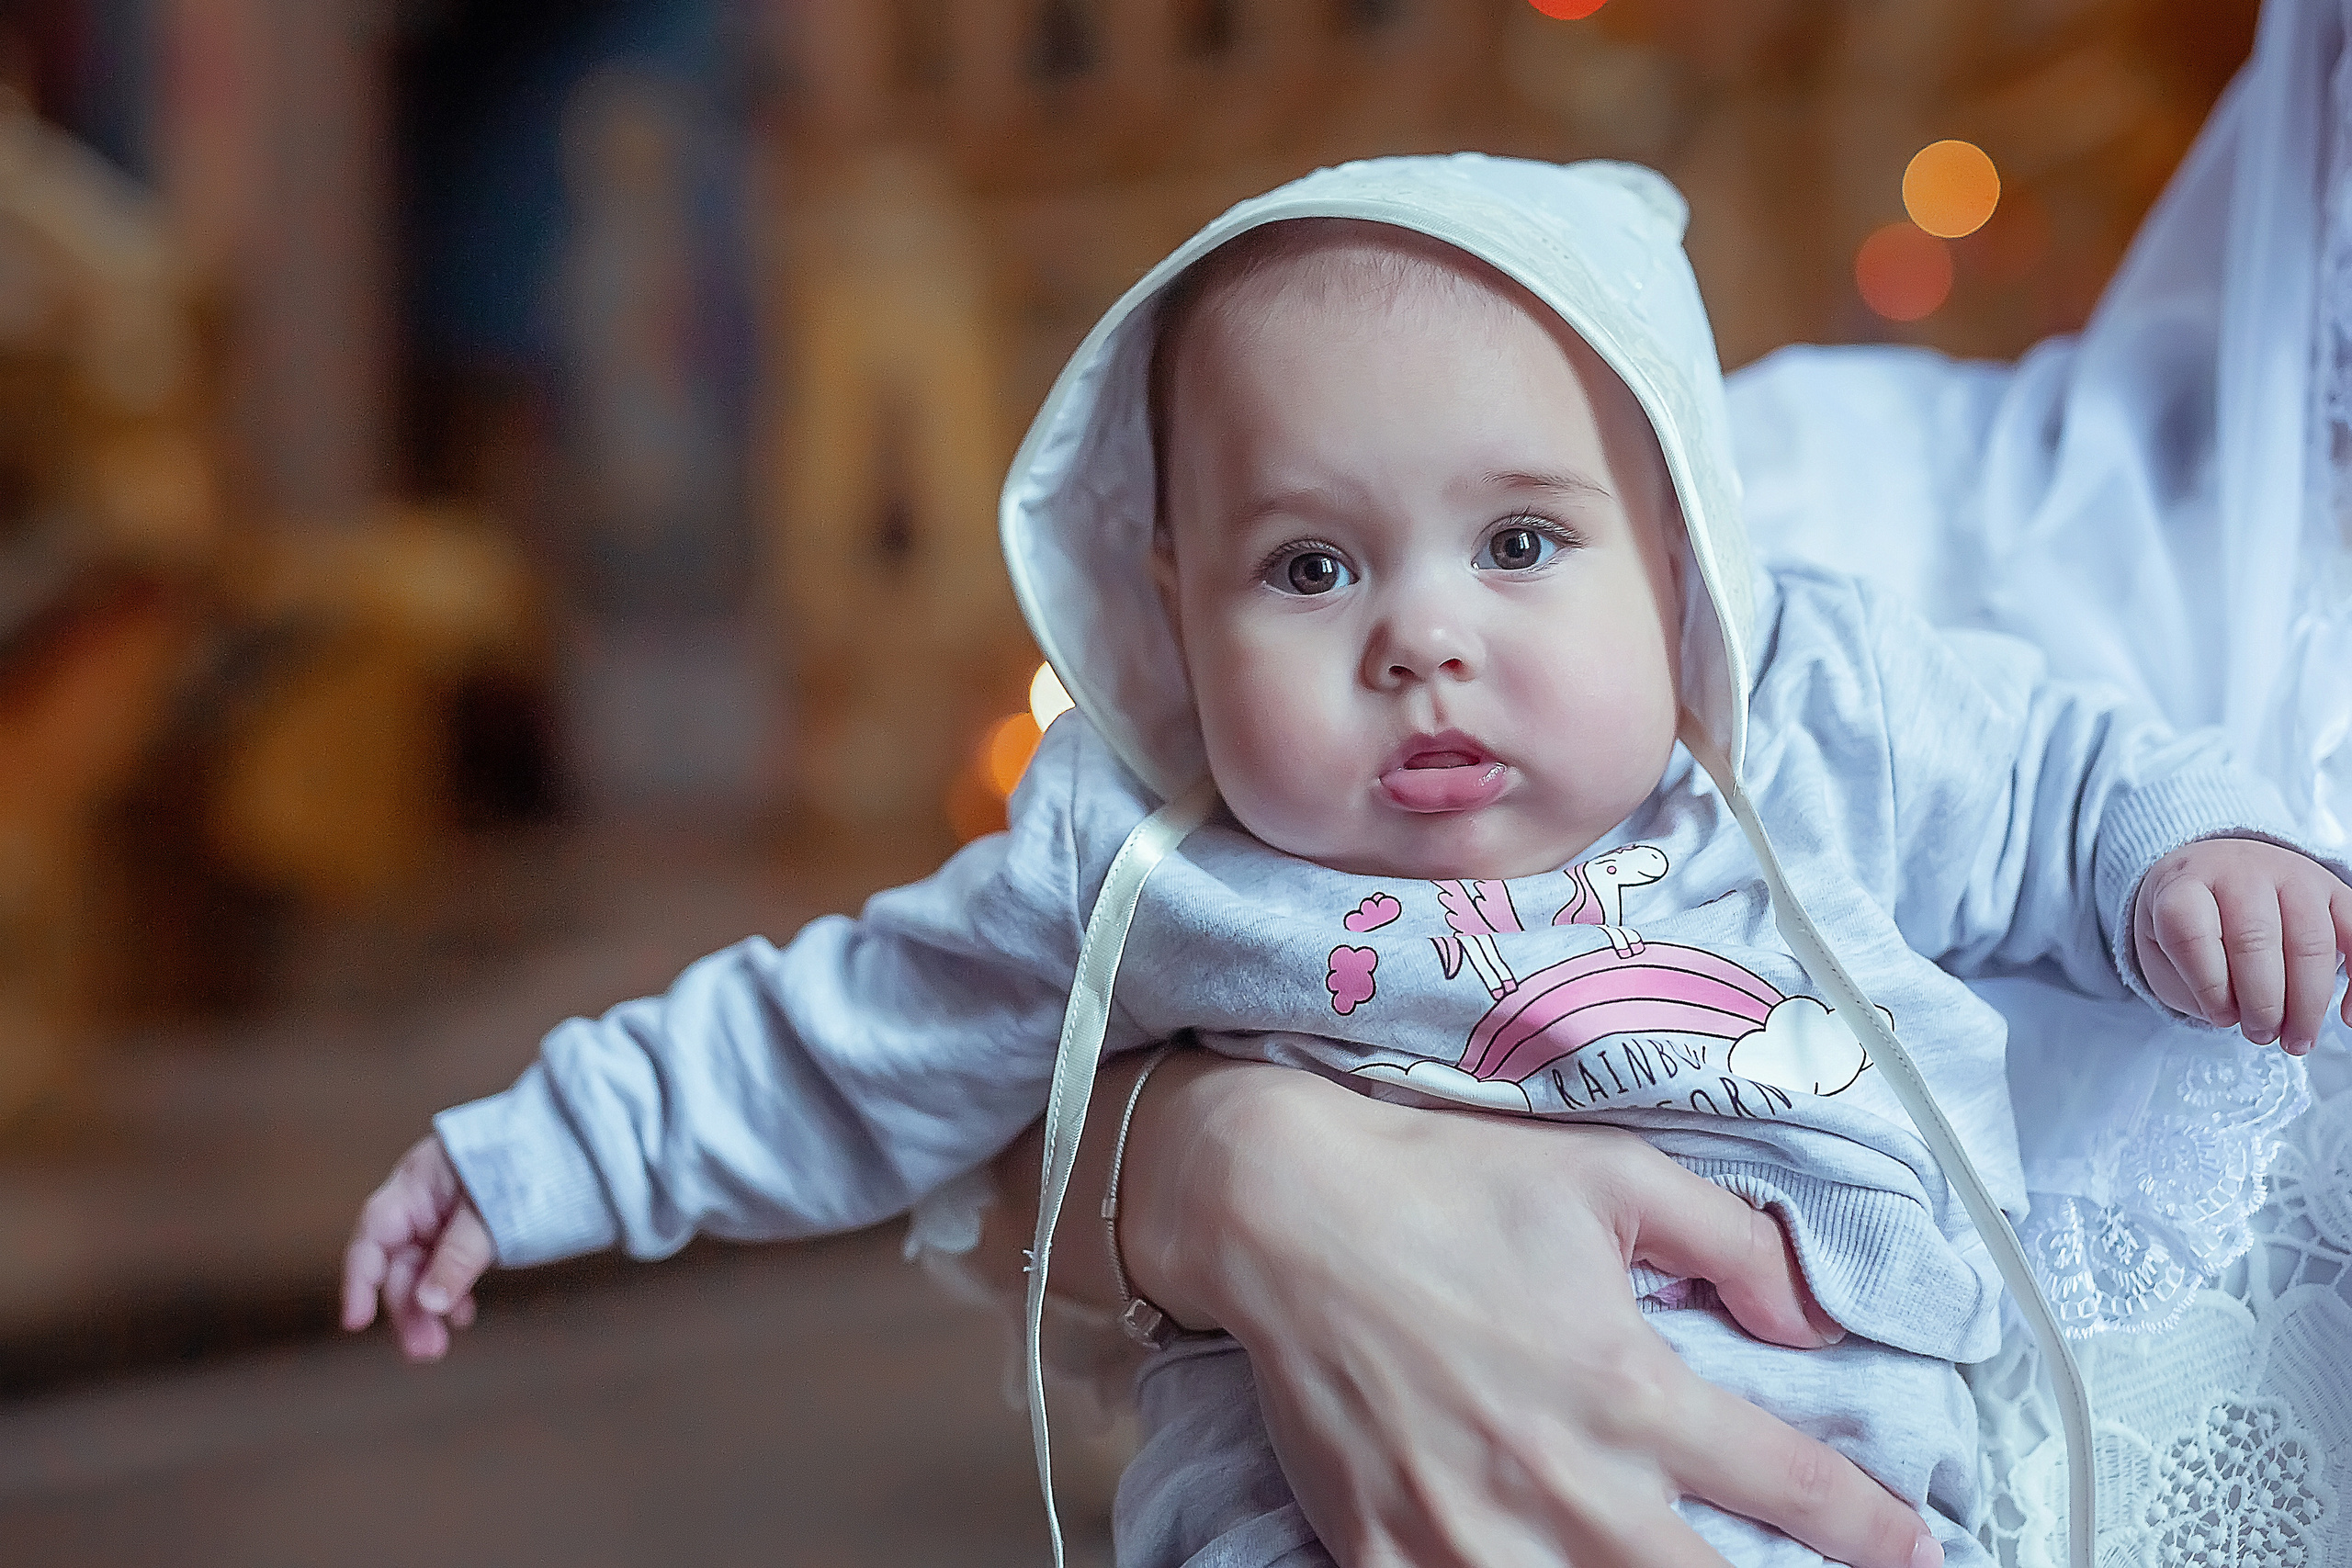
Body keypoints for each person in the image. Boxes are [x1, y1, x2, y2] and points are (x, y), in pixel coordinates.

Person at [342, 156, 2352, 1568]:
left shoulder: (1801, 722)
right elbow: (834, 1038)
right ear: (1169, 612)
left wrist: (2185, 846)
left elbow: (2050, 778)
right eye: (1309, 565)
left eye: (1516, 543)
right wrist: (523, 1161)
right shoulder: (1148, 864)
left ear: (1669, 560)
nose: (1421, 634)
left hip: (1836, 1488)